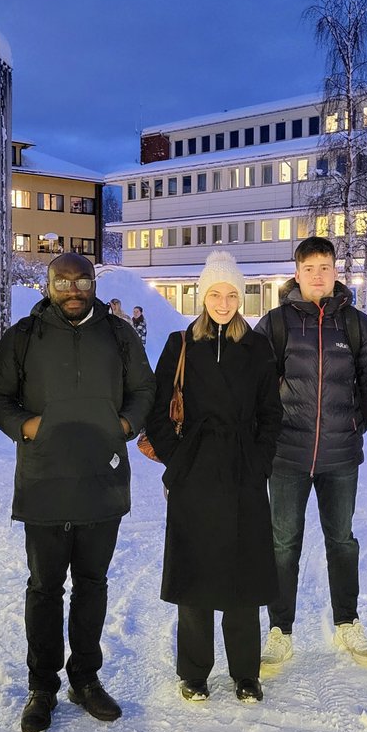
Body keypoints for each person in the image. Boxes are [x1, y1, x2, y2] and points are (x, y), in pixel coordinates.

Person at [0, 253, 155, 732]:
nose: (73, 289)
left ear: (93, 284)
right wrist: (26, 426)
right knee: (44, 588)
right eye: (63, 281)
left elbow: (144, 389)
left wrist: (124, 424)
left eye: (82, 280)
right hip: (45, 478)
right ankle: (42, 687)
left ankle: (85, 678)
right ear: (49, 285)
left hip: (102, 476)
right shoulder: (23, 336)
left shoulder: (119, 334)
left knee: (92, 584)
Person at [146, 251, 282, 704]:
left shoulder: (257, 346)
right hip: (195, 472)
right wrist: (177, 460)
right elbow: (157, 408)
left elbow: (271, 412)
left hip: (243, 471)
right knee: (196, 577)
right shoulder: (180, 343)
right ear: (202, 296)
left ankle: (245, 672)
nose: (223, 303)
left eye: (231, 295)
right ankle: (195, 672)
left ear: (240, 298)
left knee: (244, 576)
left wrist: (260, 460)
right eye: (215, 294)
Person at [253, 236, 367, 671]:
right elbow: (256, 388)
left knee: (341, 541)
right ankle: (280, 630)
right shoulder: (275, 324)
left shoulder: (358, 326)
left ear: (334, 271)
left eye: (324, 266)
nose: (316, 275)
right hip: (287, 456)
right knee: (283, 543)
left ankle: (347, 621)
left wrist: (350, 428)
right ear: (296, 273)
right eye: (308, 267)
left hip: (340, 457)